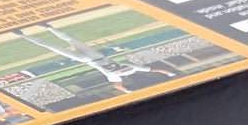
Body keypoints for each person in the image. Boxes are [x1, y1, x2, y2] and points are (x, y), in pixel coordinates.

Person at [15, 24, 180, 92]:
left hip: (96, 56)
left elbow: (155, 69)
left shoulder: (132, 69)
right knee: (53, 47)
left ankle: (48, 26)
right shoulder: (117, 76)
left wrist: (168, 73)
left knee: (71, 40)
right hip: (89, 60)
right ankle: (22, 35)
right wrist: (127, 91)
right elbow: (118, 85)